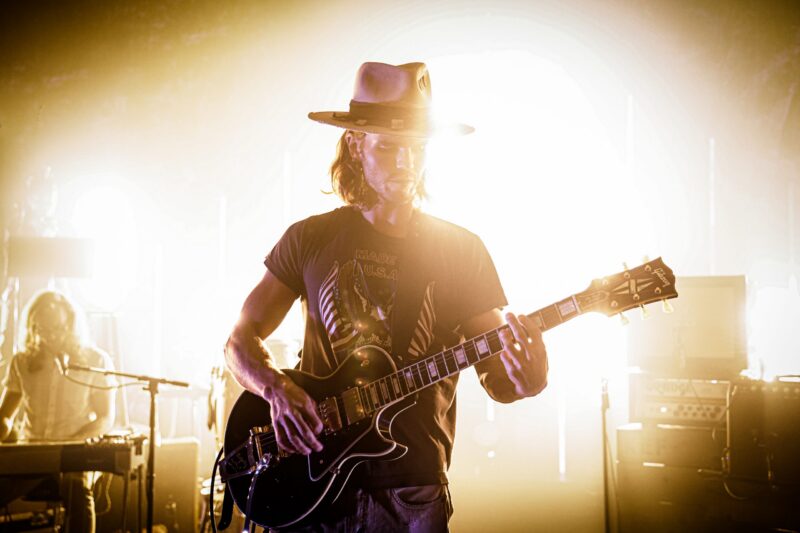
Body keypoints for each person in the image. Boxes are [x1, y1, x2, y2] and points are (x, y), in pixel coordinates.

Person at [225, 61, 548, 532]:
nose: (406, 163)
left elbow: (499, 378)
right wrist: (275, 389)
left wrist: (528, 379)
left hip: (412, 490)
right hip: (311, 483)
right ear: (355, 145)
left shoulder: (461, 250)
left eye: (416, 149)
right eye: (390, 147)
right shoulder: (309, 238)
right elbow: (239, 340)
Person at [0, 289, 116, 533]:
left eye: (56, 329)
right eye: (41, 330)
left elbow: (105, 417)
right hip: (33, 451)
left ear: (71, 325)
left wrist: (75, 443)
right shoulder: (22, 362)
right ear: (32, 328)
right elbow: (5, 416)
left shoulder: (94, 360)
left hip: (76, 452)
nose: (49, 336)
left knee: (76, 485)